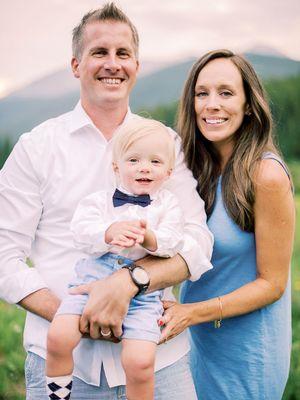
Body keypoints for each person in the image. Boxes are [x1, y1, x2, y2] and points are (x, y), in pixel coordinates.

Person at [0, 3, 213, 399]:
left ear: (136, 65)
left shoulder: (168, 145)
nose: (112, 64)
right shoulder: (35, 148)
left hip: (159, 363)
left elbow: (197, 241)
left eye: (123, 54)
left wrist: (132, 281)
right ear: (76, 64)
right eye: (100, 52)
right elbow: (3, 254)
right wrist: (79, 312)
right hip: (64, 361)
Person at [159, 49, 295, 399]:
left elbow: (272, 284)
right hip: (192, 341)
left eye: (226, 93)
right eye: (202, 93)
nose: (211, 104)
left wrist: (192, 312)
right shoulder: (192, 171)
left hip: (246, 352)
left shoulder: (265, 174)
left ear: (249, 104)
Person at [46, 118, 188, 400]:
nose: (144, 167)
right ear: (116, 167)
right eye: (133, 160)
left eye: (155, 162)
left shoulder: (168, 205)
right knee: (58, 337)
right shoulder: (99, 201)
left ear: (169, 172)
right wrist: (108, 232)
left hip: (144, 293)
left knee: (140, 361)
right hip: (92, 278)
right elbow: (80, 232)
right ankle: (58, 395)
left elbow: (174, 241)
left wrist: (150, 239)